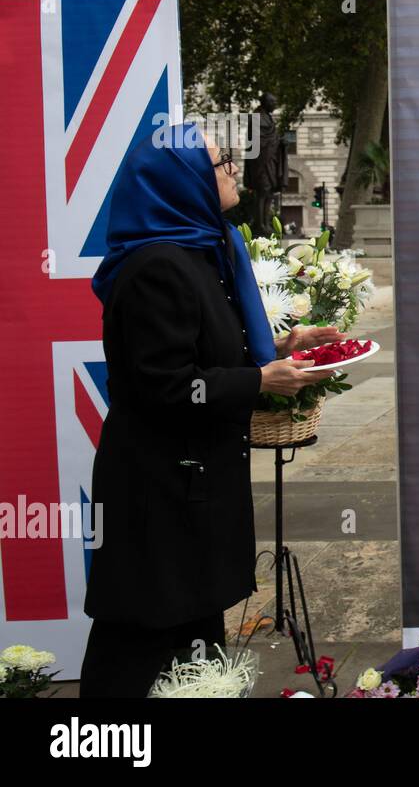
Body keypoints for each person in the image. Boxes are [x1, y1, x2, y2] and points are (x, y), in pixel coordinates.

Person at [79, 122, 339, 697]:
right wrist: (258, 380)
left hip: (195, 482)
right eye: (220, 165)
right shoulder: (158, 267)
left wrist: (284, 345)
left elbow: (210, 345)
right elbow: (161, 385)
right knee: (140, 631)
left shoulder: (205, 248)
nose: (231, 173)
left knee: (194, 629)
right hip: (158, 489)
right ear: (183, 179)